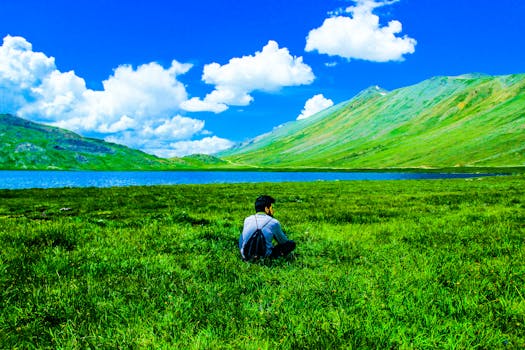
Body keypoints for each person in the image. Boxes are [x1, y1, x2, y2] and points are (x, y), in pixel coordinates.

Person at [239, 195, 296, 260]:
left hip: (246, 255)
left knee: (242, 235)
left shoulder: (247, 219)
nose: (273, 211)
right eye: (271, 208)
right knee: (291, 244)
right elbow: (283, 241)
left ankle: (243, 254)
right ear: (266, 209)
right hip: (265, 256)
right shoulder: (274, 222)